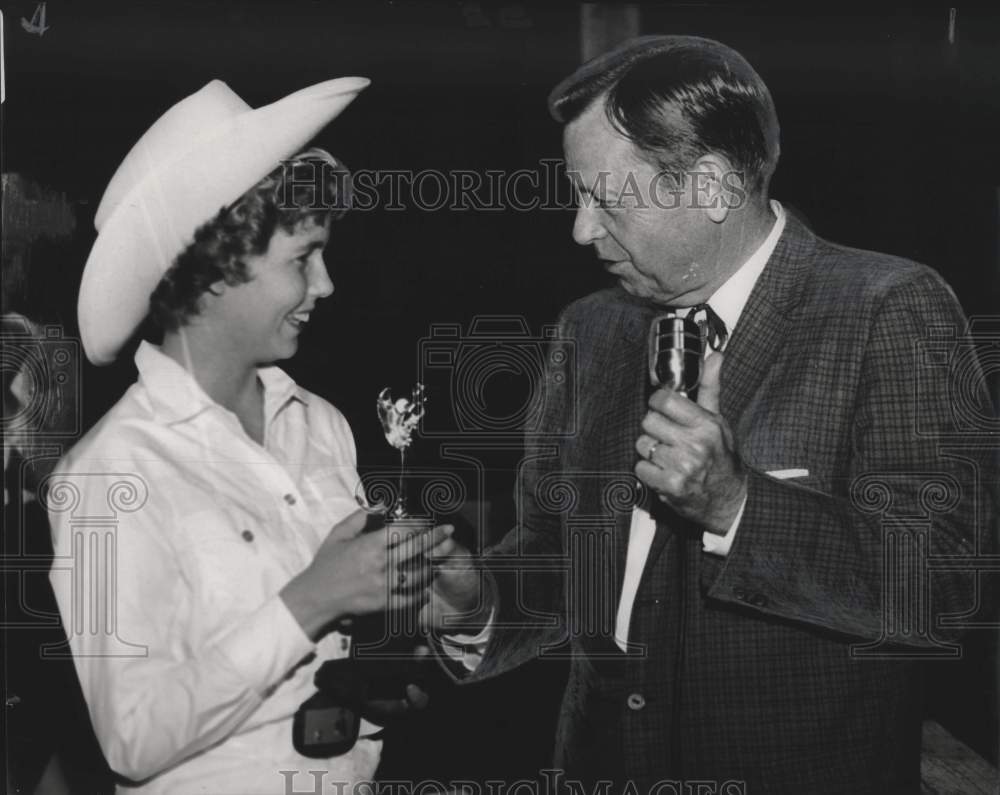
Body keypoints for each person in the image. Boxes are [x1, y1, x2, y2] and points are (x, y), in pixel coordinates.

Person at [424, 35, 998, 793]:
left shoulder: (885, 306)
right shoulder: (589, 330)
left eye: (605, 197)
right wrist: (477, 604)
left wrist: (738, 502)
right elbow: (563, 560)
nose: (580, 229)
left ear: (715, 186)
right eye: (576, 195)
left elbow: (944, 583)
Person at [47, 77, 454, 794]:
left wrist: (383, 675)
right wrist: (313, 600)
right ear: (214, 274)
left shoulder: (319, 424)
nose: (326, 285)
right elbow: (131, 736)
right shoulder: (109, 472)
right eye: (302, 259)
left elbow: (334, 652)